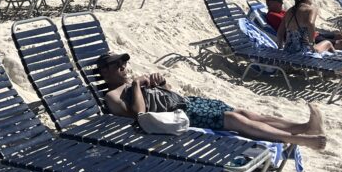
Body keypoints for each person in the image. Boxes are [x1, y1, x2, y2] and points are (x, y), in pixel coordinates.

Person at [95, 51, 327, 150]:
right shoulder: (112, 96)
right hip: (179, 115)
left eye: (123, 62)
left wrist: (160, 83)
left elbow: (167, 93)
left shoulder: (130, 83)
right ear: (105, 71)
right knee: (234, 120)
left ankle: (304, 128)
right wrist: (136, 84)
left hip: (184, 102)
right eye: (117, 64)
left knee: (246, 113)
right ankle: (299, 140)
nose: (123, 66)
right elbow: (139, 114)